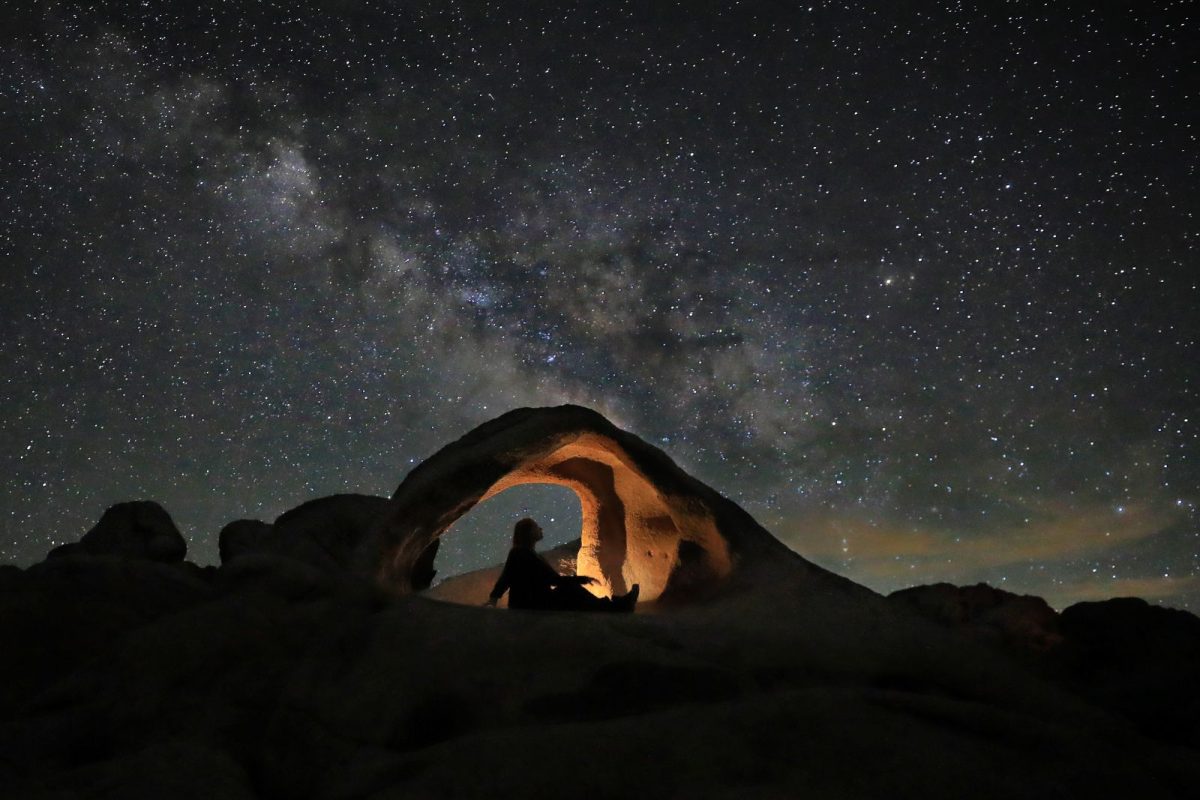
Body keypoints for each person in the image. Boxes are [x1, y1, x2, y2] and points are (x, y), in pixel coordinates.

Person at [485, 518, 639, 612]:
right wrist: (581, 579)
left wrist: (494, 597)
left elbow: (506, 577)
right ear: (528, 533)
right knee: (571, 590)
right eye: (536, 527)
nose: (540, 529)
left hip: (530, 602)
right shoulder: (522, 553)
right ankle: (616, 606)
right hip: (533, 604)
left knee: (570, 590)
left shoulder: (522, 553)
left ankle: (615, 605)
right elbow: (552, 580)